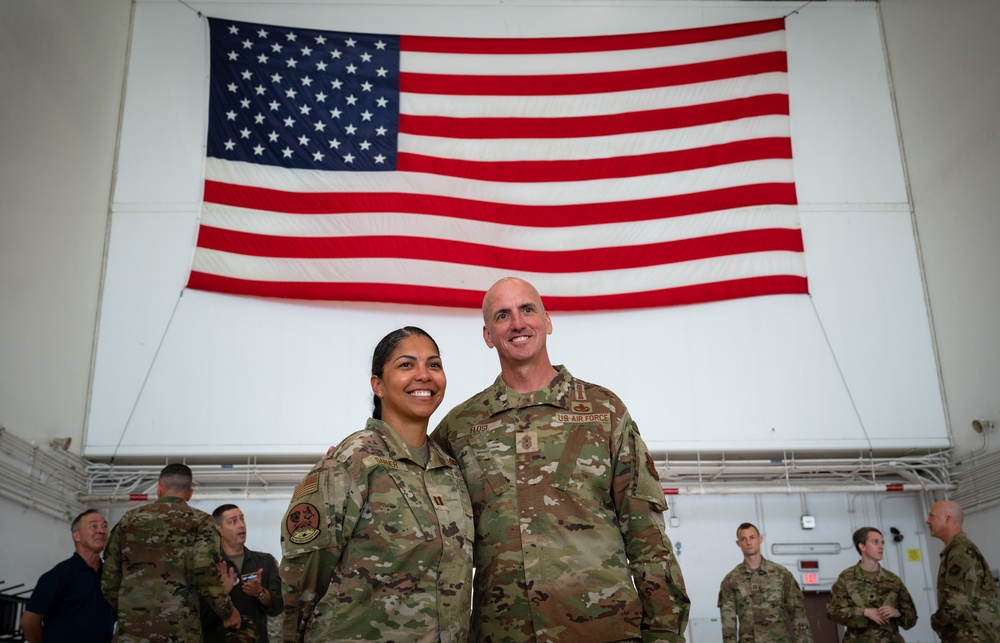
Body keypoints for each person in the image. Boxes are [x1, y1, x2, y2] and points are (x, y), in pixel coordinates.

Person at [432, 276, 690, 642]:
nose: (518, 323)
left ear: (547, 321)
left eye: (527, 309)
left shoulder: (605, 411)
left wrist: (665, 631)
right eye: (502, 316)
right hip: (503, 634)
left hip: (603, 631)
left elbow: (646, 534)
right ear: (488, 335)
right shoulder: (459, 427)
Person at [279, 326, 473, 642]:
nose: (424, 375)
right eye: (406, 365)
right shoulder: (354, 459)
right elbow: (302, 574)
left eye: (433, 364)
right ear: (378, 385)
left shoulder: (450, 469)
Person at [102, 463, 240, 640]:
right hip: (180, 633)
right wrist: (227, 611)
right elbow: (205, 575)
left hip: (132, 633)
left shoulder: (129, 520)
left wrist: (131, 611)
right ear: (190, 493)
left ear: (159, 489)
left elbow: (109, 580)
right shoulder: (202, 522)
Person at [20, 509, 116, 643]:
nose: (101, 530)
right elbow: (28, 622)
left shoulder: (110, 575)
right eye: (93, 526)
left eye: (104, 526)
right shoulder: (59, 575)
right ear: (76, 536)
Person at [717, 522, 812, 642]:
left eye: (752, 537)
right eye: (743, 539)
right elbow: (728, 625)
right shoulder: (731, 580)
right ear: (738, 543)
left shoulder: (781, 574)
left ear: (760, 539)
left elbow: (798, 614)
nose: (749, 542)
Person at [201, 504, 283, 642]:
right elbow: (198, 615)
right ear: (219, 529)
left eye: (242, 519)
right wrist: (221, 593)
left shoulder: (265, 562)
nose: (241, 525)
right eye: (233, 521)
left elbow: (278, 607)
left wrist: (260, 593)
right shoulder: (207, 566)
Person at [926, 500, 1000, 642]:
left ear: (948, 519)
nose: (927, 521)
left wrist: (936, 622)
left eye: (932, 516)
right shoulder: (955, 550)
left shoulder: (960, 552)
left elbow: (956, 601)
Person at [826, 526, 917, 642]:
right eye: (875, 542)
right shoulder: (847, 578)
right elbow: (833, 612)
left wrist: (898, 613)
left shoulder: (893, 580)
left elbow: (912, 618)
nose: (881, 547)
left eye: (882, 542)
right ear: (862, 546)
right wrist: (864, 612)